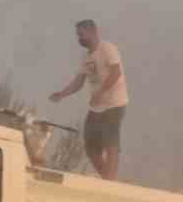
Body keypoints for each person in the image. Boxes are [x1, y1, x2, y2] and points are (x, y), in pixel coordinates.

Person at [49, 19, 129, 180]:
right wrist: (62, 93)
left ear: (93, 31)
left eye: (82, 34)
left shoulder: (107, 48)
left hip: (114, 103)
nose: (80, 38)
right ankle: (107, 176)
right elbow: (79, 81)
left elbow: (115, 73)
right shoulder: (85, 57)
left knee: (110, 140)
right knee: (90, 145)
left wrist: (100, 92)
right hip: (96, 107)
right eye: (78, 35)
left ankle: (110, 178)